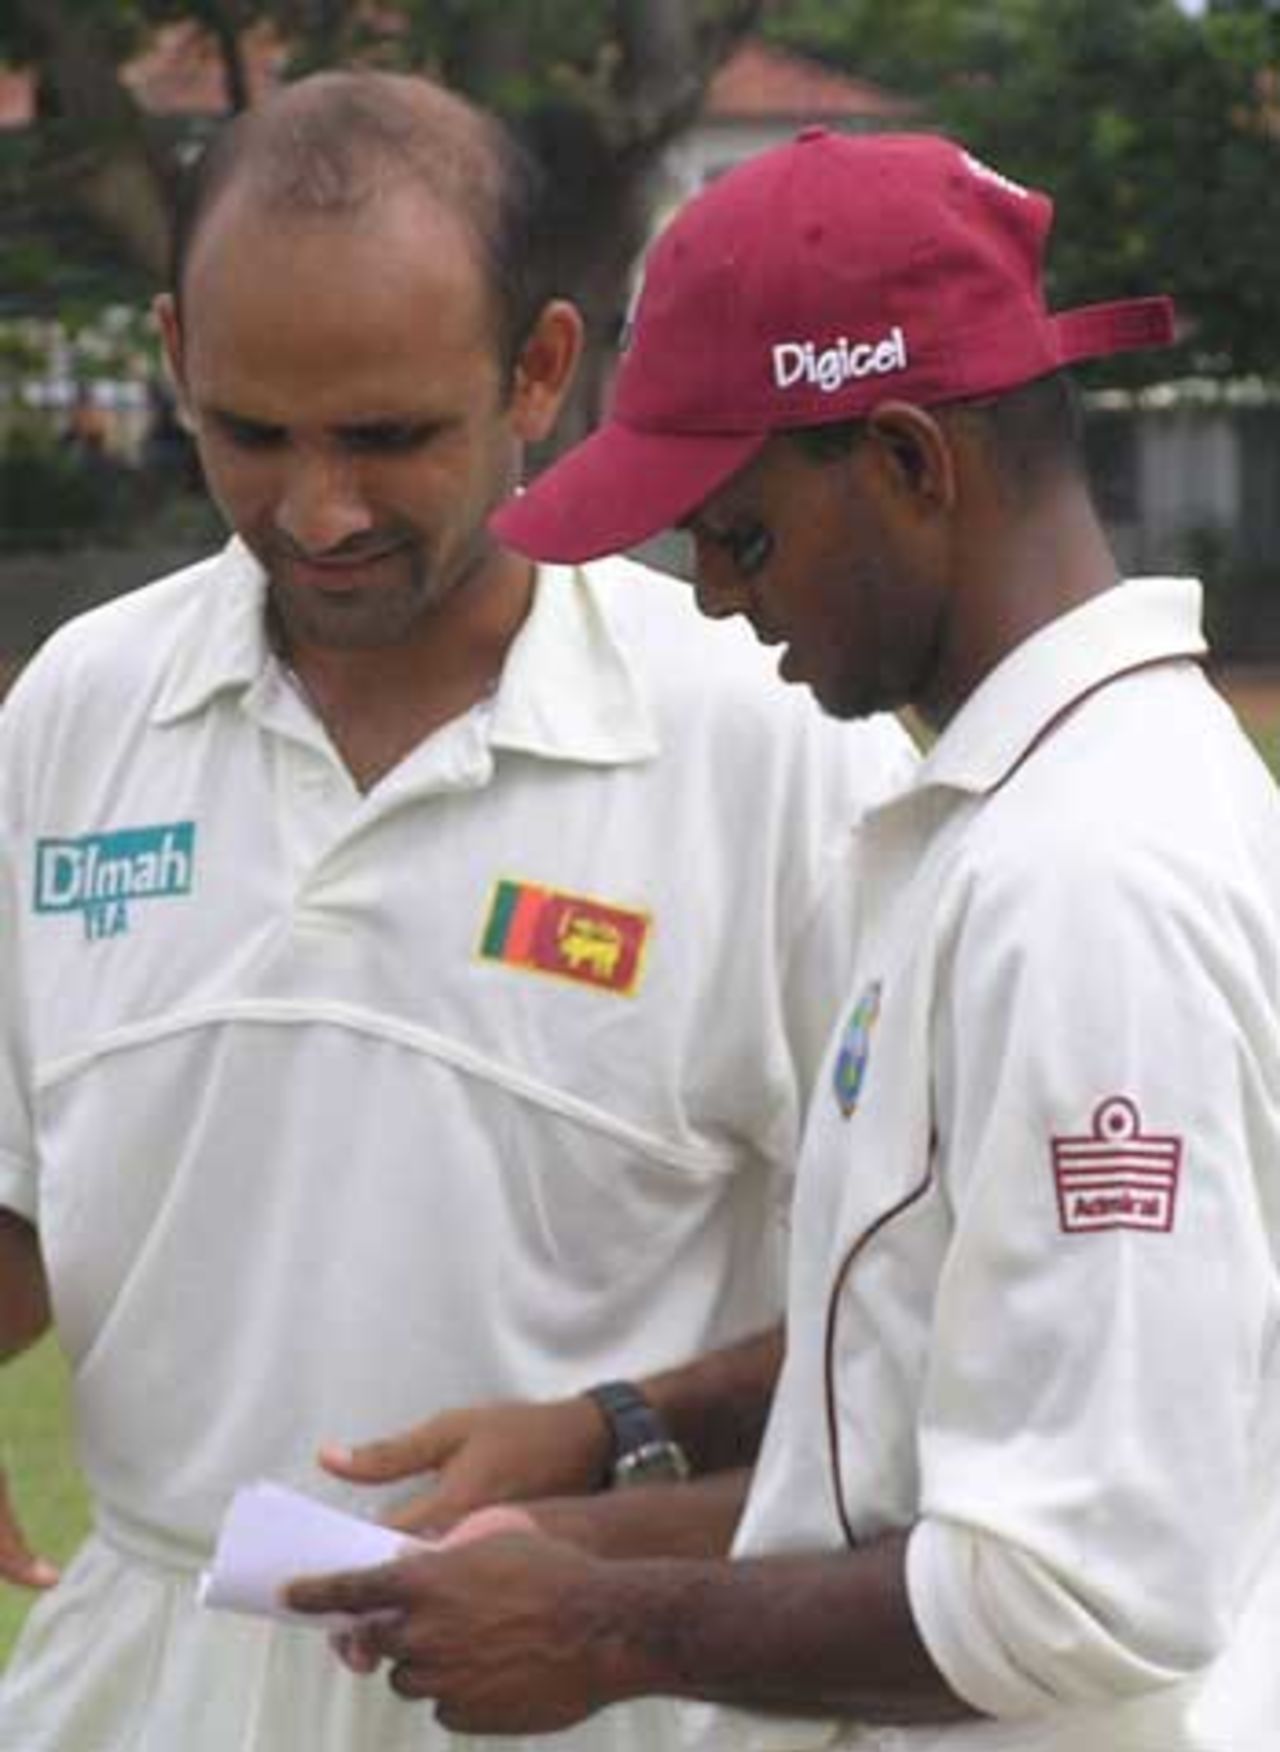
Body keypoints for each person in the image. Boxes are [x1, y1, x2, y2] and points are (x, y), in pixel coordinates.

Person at [287, 129, 1280, 1750]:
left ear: (907, 461)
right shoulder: (1002, 820)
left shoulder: (1086, 879)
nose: (712, 596)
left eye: (737, 531)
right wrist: (614, 1445)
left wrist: (606, 1625)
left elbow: (1084, 1589)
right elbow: (933, 1347)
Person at [0, 74, 917, 1752]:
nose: (318, 512)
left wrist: (616, 1455)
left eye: (387, 438)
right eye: (249, 435)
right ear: (174, 355)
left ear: (542, 373)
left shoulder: (757, 744)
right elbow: (26, 1180)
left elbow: (926, 1289)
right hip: (144, 1684)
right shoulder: (79, 709)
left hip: (601, 1693)